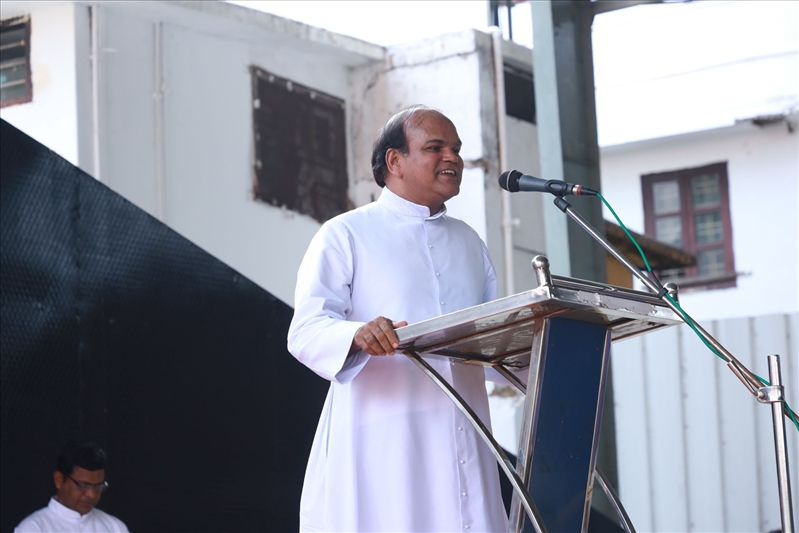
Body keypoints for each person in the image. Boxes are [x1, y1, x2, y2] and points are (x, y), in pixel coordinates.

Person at [288, 105, 507, 532]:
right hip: (385, 442)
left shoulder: (468, 242)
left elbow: (493, 340)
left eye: (456, 148)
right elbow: (306, 330)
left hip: (466, 431)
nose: (453, 158)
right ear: (395, 160)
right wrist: (357, 334)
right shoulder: (345, 233)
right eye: (435, 148)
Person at [15, 441, 129, 533]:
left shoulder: (115, 527)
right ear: (59, 480)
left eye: (98, 486)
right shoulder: (33, 528)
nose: (91, 495)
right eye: (83, 485)